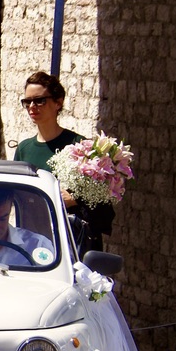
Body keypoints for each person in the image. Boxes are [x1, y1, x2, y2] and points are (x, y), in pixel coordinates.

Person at [13, 71, 114, 252]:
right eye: (27, 102)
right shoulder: (24, 149)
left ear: (58, 102)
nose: (32, 106)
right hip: (35, 239)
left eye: (39, 100)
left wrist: (75, 199)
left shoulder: (80, 146)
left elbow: (102, 201)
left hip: (73, 242)